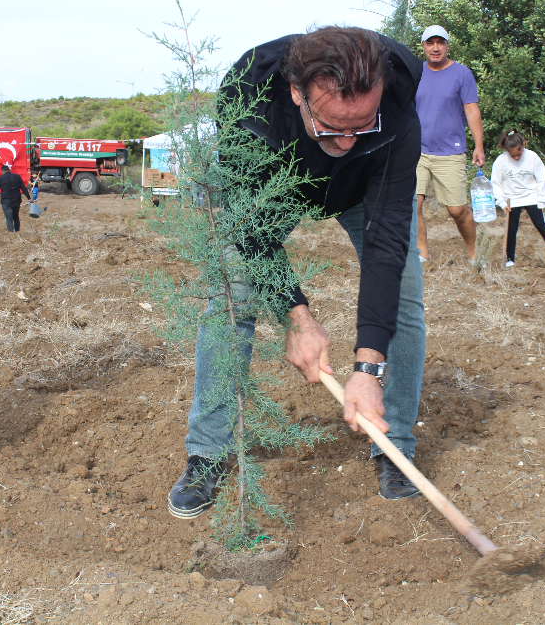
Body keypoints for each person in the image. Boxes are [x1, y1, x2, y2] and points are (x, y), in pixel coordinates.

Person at [167, 26, 427, 520]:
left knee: (406, 303)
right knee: (230, 298)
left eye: (362, 126)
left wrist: (367, 367)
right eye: (332, 127)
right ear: (296, 95)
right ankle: (208, 451)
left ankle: (395, 448)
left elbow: (387, 244)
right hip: (276, 188)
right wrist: (299, 320)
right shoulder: (249, 104)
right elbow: (252, 229)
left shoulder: (397, 103)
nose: (348, 141)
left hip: (361, 191)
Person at [413, 25, 485, 263]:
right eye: (430, 43)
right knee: (413, 205)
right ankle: (422, 255)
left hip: (450, 151)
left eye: (440, 42)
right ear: (423, 46)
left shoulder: (461, 73)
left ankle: (475, 252)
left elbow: (472, 111)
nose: (435, 48)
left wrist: (479, 146)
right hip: (417, 151)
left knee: (457, 210)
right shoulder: (416, 72)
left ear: (447, 45)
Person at [491, 129, 545, 269]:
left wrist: (542, 200)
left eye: (518, 154)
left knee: (541, 225)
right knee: (511, 229)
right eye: (512, 155)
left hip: (531, 196)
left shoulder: (532, 157)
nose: (516, 157)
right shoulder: (501, 161)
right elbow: (496, 183)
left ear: (524, 146)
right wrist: (502, 202)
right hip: (512, 198)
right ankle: (510, 260)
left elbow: (541, 178)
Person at [0, 164, 29, 232]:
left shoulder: (0, 178)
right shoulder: (17, 177)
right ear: (9, 170)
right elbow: (23, 188)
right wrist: (29, 198)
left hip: (6, 201)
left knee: (9, 218)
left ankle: (11, 233)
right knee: (16, 217)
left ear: (2, 171)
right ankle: (17, 232)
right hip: (16, 200)